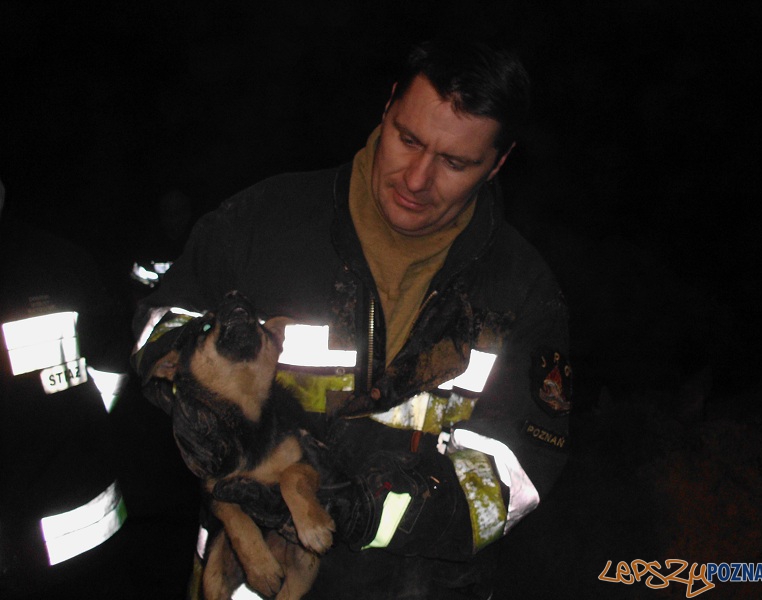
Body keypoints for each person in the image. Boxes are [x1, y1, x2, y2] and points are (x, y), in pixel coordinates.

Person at [132, 39, 571, 599]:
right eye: (407, 139)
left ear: (499, 162)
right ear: (387, 107)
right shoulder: (260, 224)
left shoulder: (522, 291)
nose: (416, 179)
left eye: (454, 162)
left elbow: (515, 476)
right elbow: (159, 328)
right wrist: (200, 409)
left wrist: (370, 507)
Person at [0, 178, 129, 598]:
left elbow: (113, 357)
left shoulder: (61, 262)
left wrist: (85, 425)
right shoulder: (63, 258)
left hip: (76, 524)